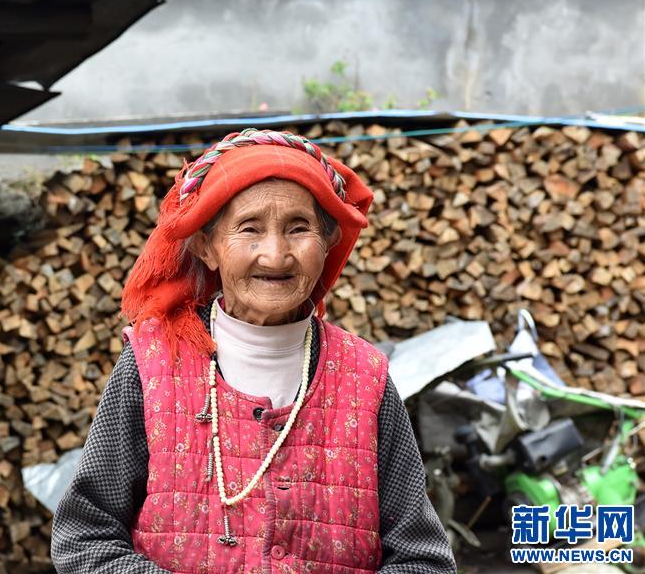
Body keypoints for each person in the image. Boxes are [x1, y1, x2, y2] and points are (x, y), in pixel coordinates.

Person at [51, 128, 457, 573]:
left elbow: (423, 560)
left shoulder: (365, 377)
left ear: (327, 245)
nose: (275, 254)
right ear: (208, 247)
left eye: (299, 228)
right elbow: (85, 537)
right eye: (249, 229)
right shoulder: (152, 364)